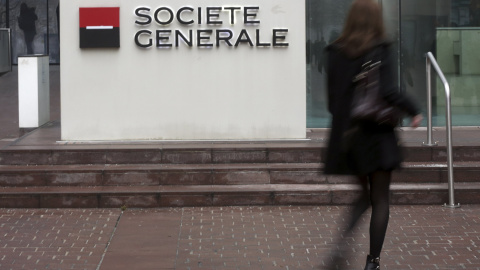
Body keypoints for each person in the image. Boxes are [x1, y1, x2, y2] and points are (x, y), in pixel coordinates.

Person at [322, 0, 423, 269]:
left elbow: (333, 104)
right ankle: (373, 262)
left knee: (362, 195)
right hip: (376, 136)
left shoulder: (333, 51)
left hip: (349, 137)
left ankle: (341, 245)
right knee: (379, 199)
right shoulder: (380, 49)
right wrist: (413, 109)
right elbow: (388, 90)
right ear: (377, 19)